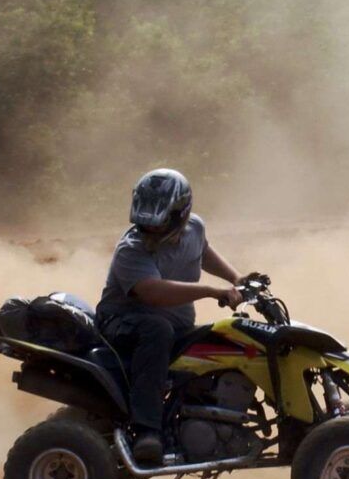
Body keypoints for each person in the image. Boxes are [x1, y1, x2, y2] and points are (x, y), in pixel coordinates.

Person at [97, 168, 243, 462]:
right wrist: (211, 291)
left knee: (227, 336)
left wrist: (237, 279)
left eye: (158, 224)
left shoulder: (195, 227)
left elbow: (202, 252)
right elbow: (154, 293)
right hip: (120, 323)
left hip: (174, 324)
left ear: (181, 214)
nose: (149, 230)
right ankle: (147, 431)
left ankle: (205, 418)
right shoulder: (131, 250)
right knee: (157, 329)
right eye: (144, 224)